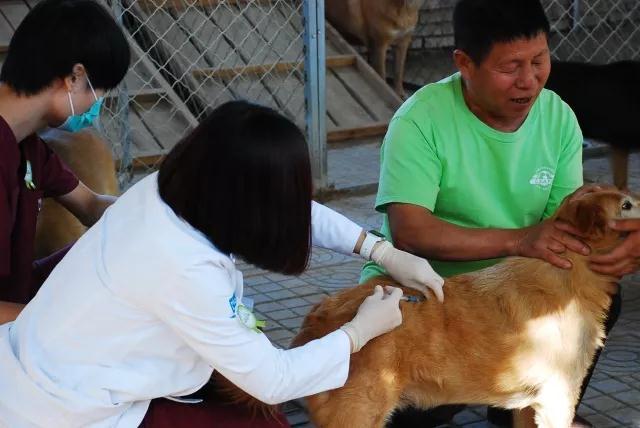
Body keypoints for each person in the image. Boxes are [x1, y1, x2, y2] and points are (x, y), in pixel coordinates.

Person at [0, 100, 444, 427]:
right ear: (249, 204)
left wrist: (379, 250)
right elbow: (273, 379)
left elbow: (289, 209)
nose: (292, 211)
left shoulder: (172, 191)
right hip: (65, 409)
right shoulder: (182, 268)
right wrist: (359, 331)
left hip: (57, 364)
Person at [360, 0, 629, 426]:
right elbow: (410, 231)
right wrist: (520, 239)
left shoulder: (558, 117)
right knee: (401, 414)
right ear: (465, 63)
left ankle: (527, 405)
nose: (529, 80)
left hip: (515, 297)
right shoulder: (419, 120)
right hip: (431, 304)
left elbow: (567, 228)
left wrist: (621, 244)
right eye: (510, 67)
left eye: (539, 60)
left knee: (597, 295)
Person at [0, 0, 130, 320]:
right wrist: (59, 322)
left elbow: (91, 205)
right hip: (11, 328)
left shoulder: (27, 145)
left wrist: (155, 217)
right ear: (74, 77)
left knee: (114, 254)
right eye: (97, 91)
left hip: (19, 305)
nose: (96, 106)